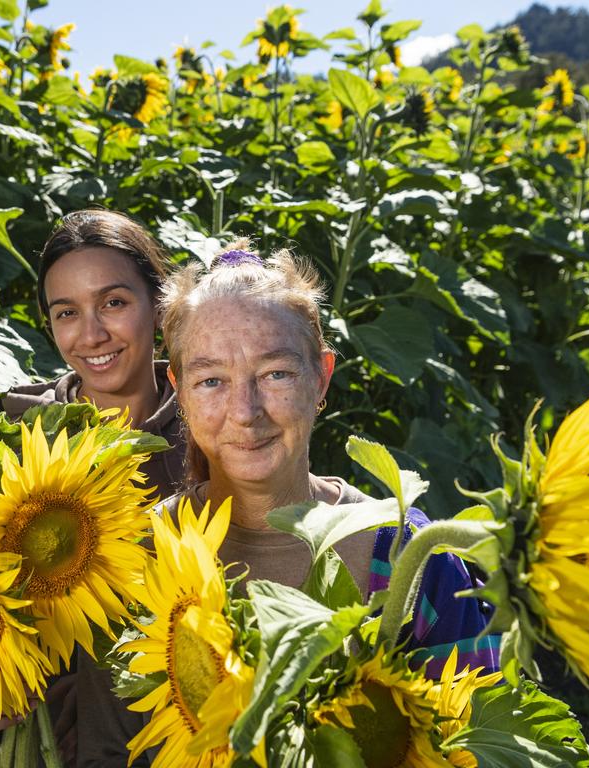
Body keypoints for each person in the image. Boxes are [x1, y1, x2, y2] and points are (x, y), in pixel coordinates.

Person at [77, 243, 500, 763]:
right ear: (179, 391)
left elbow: (479, 735)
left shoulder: (410, 558)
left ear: (321, 376)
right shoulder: (137, 554)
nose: (244, 411)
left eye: (275, 373)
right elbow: (106, 748)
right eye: (211, 381)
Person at [0, 209, 188, 767]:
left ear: (158, 306)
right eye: (66, 313)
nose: (91, 334)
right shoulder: (7, 432)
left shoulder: (211, 432)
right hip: (38, 742)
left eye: (113, 303)